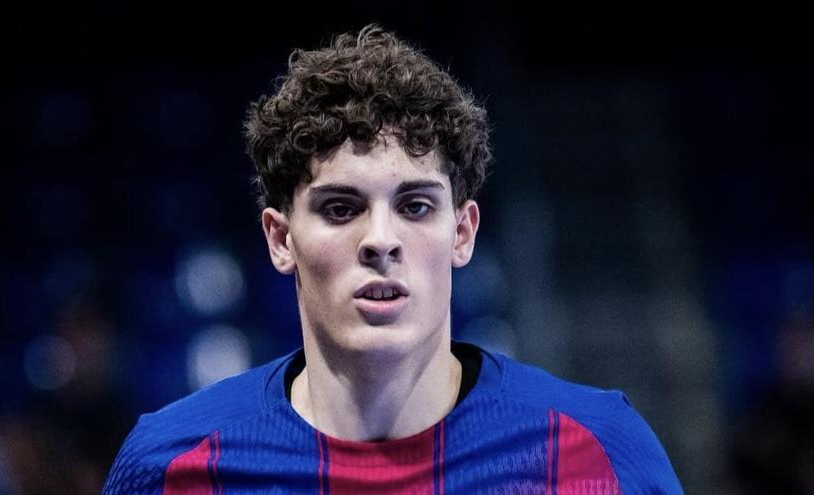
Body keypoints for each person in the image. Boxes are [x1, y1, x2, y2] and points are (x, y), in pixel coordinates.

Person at [103, 24, 683, 494]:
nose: (381, 240)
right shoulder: (171, 466)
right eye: (339, 208)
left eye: (415, 206)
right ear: (281, 240)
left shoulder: (597, 450)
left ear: (462, 233)